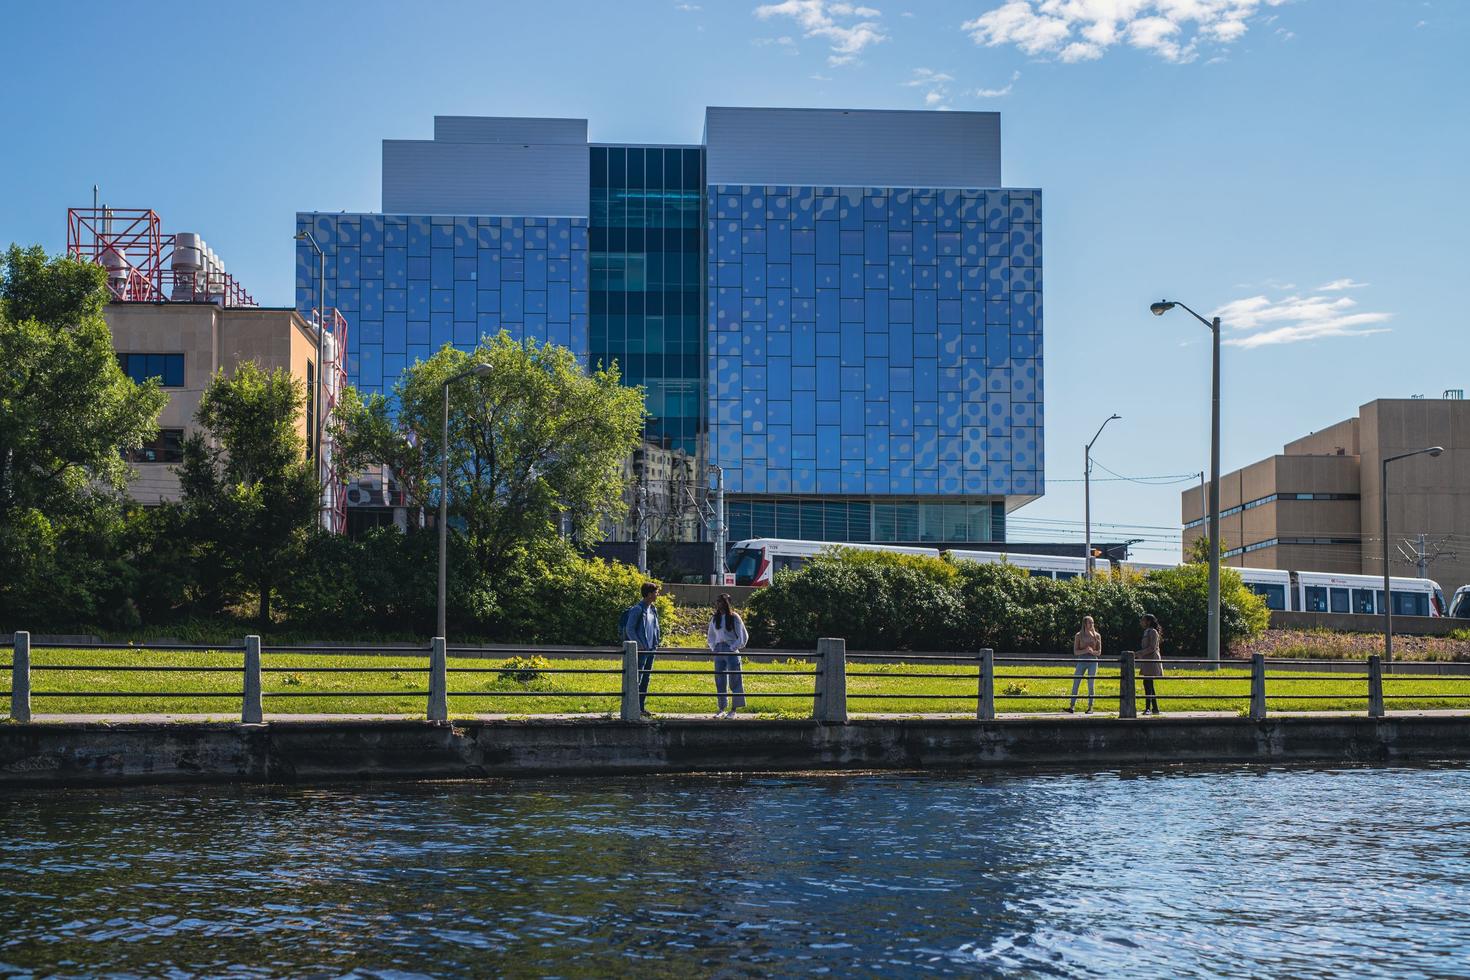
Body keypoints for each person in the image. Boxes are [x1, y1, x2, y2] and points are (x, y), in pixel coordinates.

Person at [619, 582, 662, 716]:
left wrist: (656, 642)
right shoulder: (637, 609)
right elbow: (629, 628)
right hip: (641, 650)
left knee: (646, 678)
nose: (657, 594)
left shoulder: (653, 609)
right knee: (637, 677)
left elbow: (656, 627)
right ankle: (634, 707)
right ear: (649, 594)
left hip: (651, 649)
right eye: (655, 592)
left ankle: (641, 707)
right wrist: (639, 644)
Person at [707, 594, 749, 718]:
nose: (719, 604)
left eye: (721, 602)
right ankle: (721, 708)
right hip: (719, 650)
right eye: (718, 602)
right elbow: (711, 635)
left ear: (727, 603)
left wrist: (732, 647)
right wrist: (713, 647)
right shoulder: (715, 618)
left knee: (735, 680)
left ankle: (734, 710)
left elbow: (743, 636)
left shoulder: (734, 617)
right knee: (720, 680)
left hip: (731, 649)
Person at [1066, 615, 1102, 714]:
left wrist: (1092, 652)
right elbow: (1075, 652)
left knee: (1091, 684)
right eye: (1090, 622)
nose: (1092, 624)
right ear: (1085, 624)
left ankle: (1090, 707)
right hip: (1081, 660)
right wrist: (1085, 650)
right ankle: (1072, 706)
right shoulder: (1078, 635)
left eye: (1093, 622)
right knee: (1076, 682)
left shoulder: (1097, 636)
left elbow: (1099, 652)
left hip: (1093, 661)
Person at [1138, 613, 1164, 716]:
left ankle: (1148, 708)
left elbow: (1152, 647)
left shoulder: (1153, 632)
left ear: (1148, 621)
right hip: (1147, 660)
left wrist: (1139, 653)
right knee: (1148, 683)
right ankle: (1154, 708)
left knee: (1148, 683)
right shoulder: (1146, 632)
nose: (1141, 622)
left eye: (1143, 620)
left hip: (1152, 660)